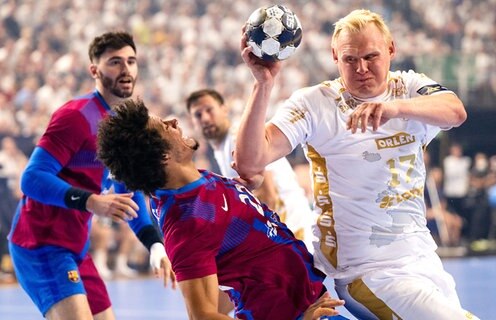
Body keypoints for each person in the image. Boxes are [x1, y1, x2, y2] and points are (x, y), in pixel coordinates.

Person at [235, 9, 479, 320]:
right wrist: (263, 84)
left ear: (391, 50)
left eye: (371, 56)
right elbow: (249, 161)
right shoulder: (314, 103)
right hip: (366, 272)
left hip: (422, 256)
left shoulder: (409, 87)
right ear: (334, 56)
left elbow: (456, 111)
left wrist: (393, 110)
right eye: (350, 59)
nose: (361, 68)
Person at [96, 99, 346, 320]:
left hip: (309, 302)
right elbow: (202, 314)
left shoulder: (194, 182)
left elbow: (234, 265)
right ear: (163, 157)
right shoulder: (186, 222)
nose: (173, 121)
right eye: (164, 126)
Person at [8, 31, 175, 320]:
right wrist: (91, 202)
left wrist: (155, 244)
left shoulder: (123, 126)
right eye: (115, 62)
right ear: (94, 70)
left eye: (131, 61)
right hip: (41, 245)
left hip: (76, 248)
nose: (125, 69)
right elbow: (32, 178)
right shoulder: (75, 116)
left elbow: (128, 194)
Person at [186, 88, 315, 251]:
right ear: (192, 121)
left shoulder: (239, 140)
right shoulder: (224, 147)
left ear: (224, 109)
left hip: (291, 232)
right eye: (198, 114)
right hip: (286, 233)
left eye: (209, 110)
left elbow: (267, 194)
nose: (205, 118)